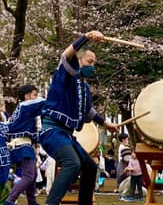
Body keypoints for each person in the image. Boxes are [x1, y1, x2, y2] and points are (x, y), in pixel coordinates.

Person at [39, 30, 119, 205]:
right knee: (72, 164)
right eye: (89, 61)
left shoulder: (82, 87)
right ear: (79, 60)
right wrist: (86, 37)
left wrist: (106, 124)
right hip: (52, 131)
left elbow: (88, 111)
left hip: (66, 135)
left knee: (90, 166)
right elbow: (65, 55)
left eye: (94, 63)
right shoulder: (67, 74)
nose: (92, 66)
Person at [4, 84, 46, 205]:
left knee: (33, 175)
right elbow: (44, 102)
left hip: (23, 145)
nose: (36, 97)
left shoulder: (22, 108)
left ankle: (32, 201)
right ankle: (10, 200)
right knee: (29, 176)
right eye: (34, 95)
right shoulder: (26, 106)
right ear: (27, 96)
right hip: (22, 145)